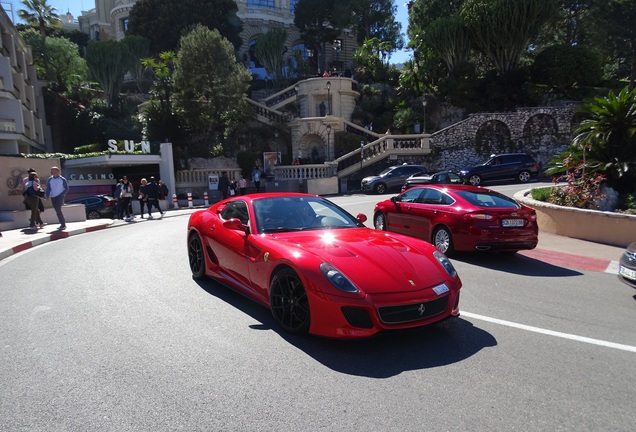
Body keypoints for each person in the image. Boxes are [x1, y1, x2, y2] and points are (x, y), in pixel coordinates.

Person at [45, 166, 69, 230]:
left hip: (59, 196)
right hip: (53, 196)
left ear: (57, 171)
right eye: (51, 171)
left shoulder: (62, 179)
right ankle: (62, 224)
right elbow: (48, 188)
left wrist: (62, 194)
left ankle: (63, 224)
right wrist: (47, 195)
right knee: (57, 210)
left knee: (58, 210)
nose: (51, 172)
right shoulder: (50, 179)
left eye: (53, 171)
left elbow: (66, 188)